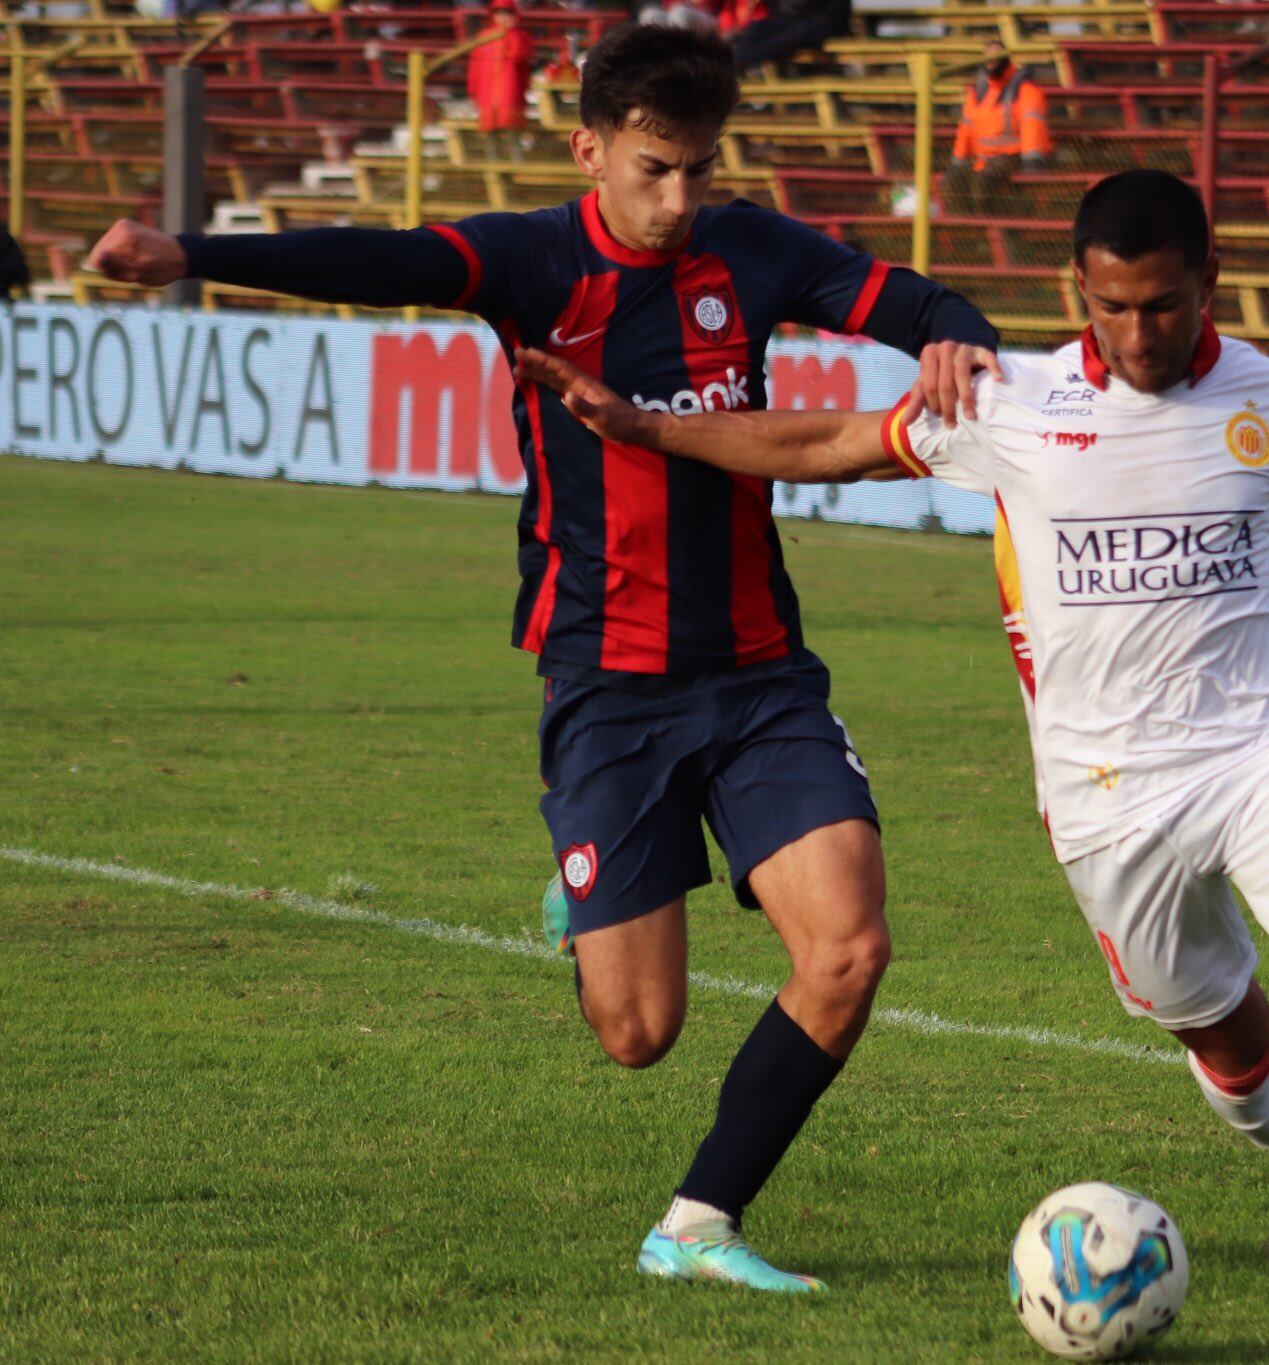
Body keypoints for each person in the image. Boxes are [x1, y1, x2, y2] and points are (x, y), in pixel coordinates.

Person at [515, 168, 1269, 1346]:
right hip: (1107, 799)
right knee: (1219, 1037)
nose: (1137, 331)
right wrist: (647, 426)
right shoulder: (1010, 401)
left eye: (1161, 305)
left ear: (1206, 284)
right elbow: (829, 441)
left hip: (1263, 747)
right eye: (1111, 306)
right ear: (1078, 291)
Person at [85, 24, 1001, 1293]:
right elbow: (377, 259)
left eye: (698, 169)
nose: (679, 199)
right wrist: (192, 253)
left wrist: (954, 338)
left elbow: (917, 303)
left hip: (758, 674)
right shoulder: (533, 258)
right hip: (607, 682)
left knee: (848, 947)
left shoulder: (752, 248)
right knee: (638, 1033)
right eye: (652, 169)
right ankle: (588, 903)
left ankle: (695, 1226)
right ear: (592, 150)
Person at [945, 40, 1053, 214]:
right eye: (988, 59)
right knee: (951, 184)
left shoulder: (1024, 87)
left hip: (1012, 156)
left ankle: (989, 234)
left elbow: (1032, 125)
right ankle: (964, 233)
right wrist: (958, 160)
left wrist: (1032, 160)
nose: (992, 63)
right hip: (982, 160)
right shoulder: (977, 91)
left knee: (982, 184)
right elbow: (966, 129)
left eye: (996, 58)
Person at [468, 0, 538, 163]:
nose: (503, 17)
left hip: (509, 92)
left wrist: (509, 34)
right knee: (490, 136)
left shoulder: (520, 37)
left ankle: (517, 166)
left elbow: (521, 56)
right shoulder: (484, 37)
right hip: (487, 93)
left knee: (512, 133)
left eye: (507, 13)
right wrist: (473, 90)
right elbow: (475, 66)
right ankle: (493, 167)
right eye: (498, 13)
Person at [729, 0, 849, 73]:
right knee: (757, 27)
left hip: (822, 23)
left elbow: (800, 6)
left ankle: (740, 60)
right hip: (793, 22)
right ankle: (736, 59)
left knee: (789, 36)